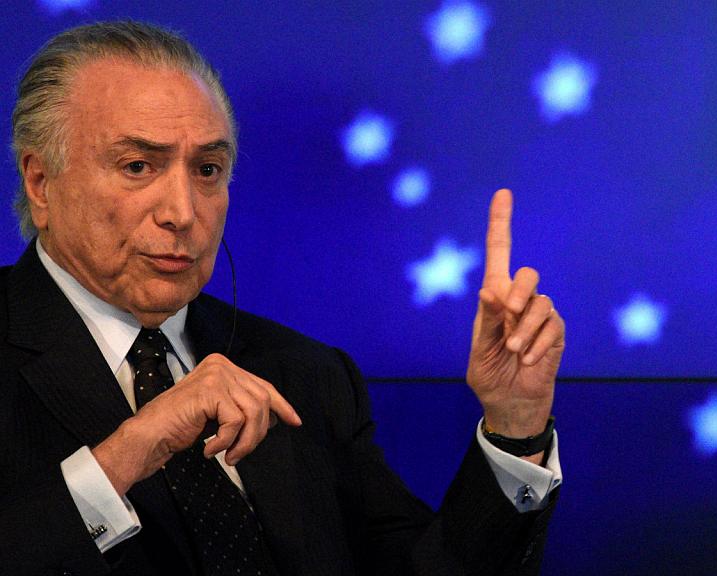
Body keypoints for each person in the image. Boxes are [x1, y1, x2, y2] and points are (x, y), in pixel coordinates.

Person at [0, 21, 565, 576]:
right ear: (40, 183)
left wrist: (515, 429)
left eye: (207, 170)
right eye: (138, 166)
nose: (183, 212)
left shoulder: (306, 376)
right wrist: (126, 454)